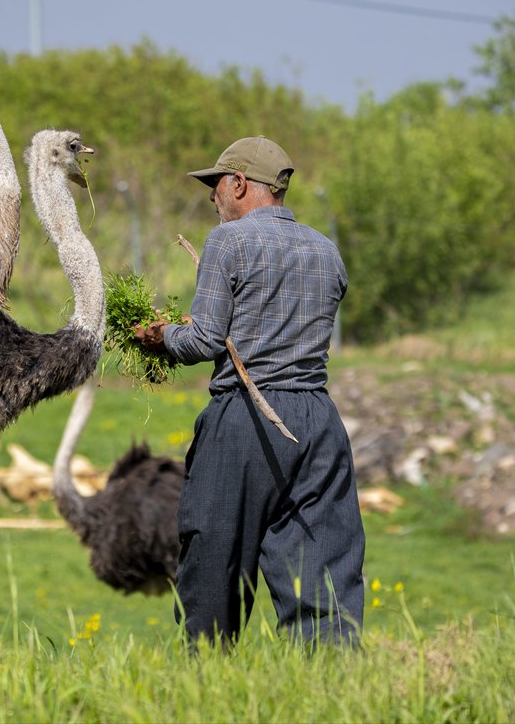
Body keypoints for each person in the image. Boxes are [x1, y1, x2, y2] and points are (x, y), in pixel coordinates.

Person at [134, 136, 364, 647]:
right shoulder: (326, 250)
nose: (211, 199)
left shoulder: (229, 241)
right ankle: (338, 684)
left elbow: (204, 341)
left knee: (214, 565)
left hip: (248, 418)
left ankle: (208, 677)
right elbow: (275, 322)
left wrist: (159, 335)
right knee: (322, 565)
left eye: (215, 186)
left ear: (239, 183)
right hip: (316, 422)